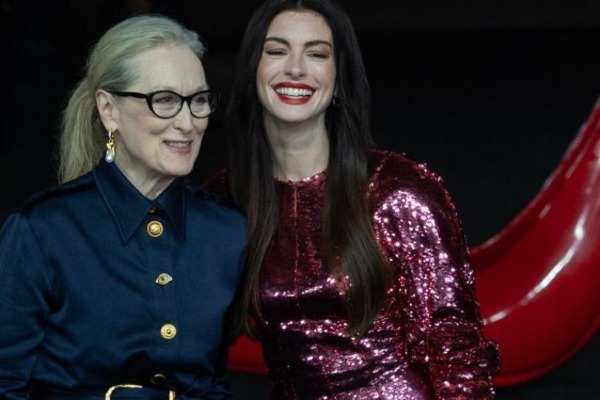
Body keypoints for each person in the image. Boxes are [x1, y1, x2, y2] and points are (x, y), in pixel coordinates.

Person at [204, 0, 502, 398]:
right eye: (276, 51)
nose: (296, 68)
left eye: (317, 54)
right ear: (251, 71)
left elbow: (456, 349)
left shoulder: (399, 190)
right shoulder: (224, 200)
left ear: (339, 76)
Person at [0, 14, 246, 399]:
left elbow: (211, 384)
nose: (188, 122)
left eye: (198, 101)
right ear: (109, 109)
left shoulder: (226, 232)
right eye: (165, 100)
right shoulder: (42, 231)